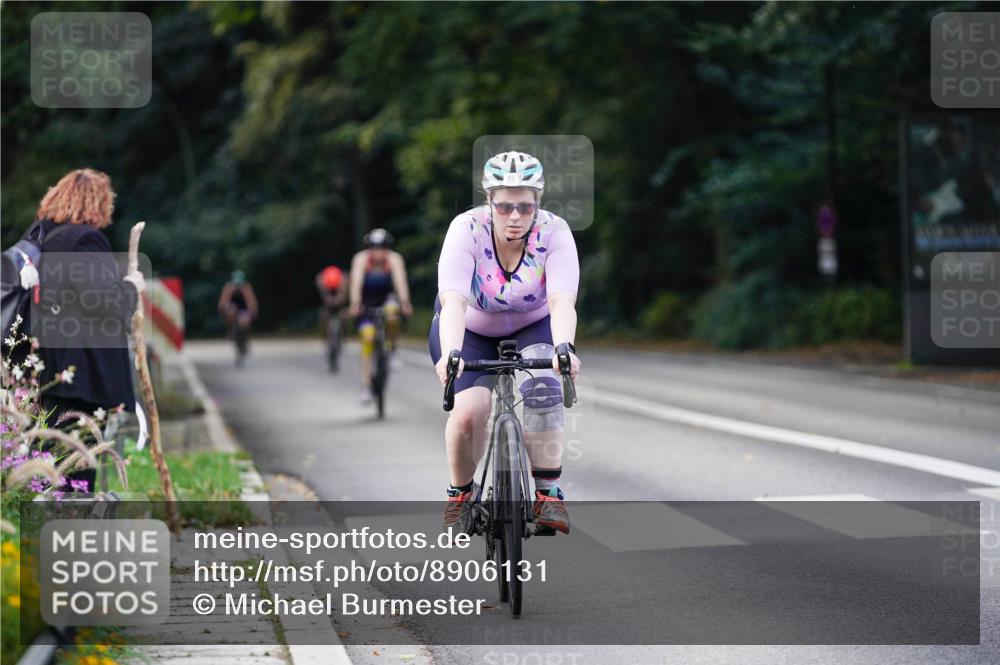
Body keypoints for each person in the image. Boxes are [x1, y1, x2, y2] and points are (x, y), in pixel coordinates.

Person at [429, 151, 581, 535]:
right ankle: (461, 494)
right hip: (471, 328)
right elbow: (453, 302)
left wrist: (564, 348)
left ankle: (547, 494)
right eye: (504, 206)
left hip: (533, 324)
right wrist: (451, 353)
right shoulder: (466, 229)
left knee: (544, 389)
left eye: (525, 206)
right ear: (489, 201)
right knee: (469, 412)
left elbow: (562, 300)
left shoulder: (555, 232)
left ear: (537, 202)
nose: (515, 216)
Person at [29, 168, 145, 493]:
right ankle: (69, 522)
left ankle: (49, 520)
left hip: (46, 368)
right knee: (76, 467)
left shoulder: (40, 238)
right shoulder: (83, 240)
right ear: (97, 203)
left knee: (50, 463)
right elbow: (103, 301)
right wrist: (131, 287)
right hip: (81, 376)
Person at [348, 228, 413, 404]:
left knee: (392, 314)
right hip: (366, 301)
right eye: (374, 247)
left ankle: (392, 350)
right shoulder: (361, 259)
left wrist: (405, 302)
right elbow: (356, 283)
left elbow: (400, 282)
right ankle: (366, 386)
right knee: (367, 339)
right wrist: (355, 304)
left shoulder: (394, 259)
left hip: (386, 298)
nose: (378, 252)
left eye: (382, 247)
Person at [218, 270, 258, 364]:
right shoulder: (228, 287)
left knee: (244, 322)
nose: (238, 285)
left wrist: (252, 312)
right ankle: (231, 331)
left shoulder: (246, 287)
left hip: (244, 309)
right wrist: (224, 310)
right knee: (231, 312)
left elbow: (251, 302)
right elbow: (223, 301)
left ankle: (245, 339)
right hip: (233, 310)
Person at [315, 265, 347, 369]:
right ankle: (325, 337)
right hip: (327, 304)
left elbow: (343, 295)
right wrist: (327, 298)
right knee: (324, 316)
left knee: (343, 316)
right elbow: (323, 294)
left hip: (339, 304)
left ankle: (342, 336)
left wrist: (339, 299)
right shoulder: (322, 280)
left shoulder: (343, 280)